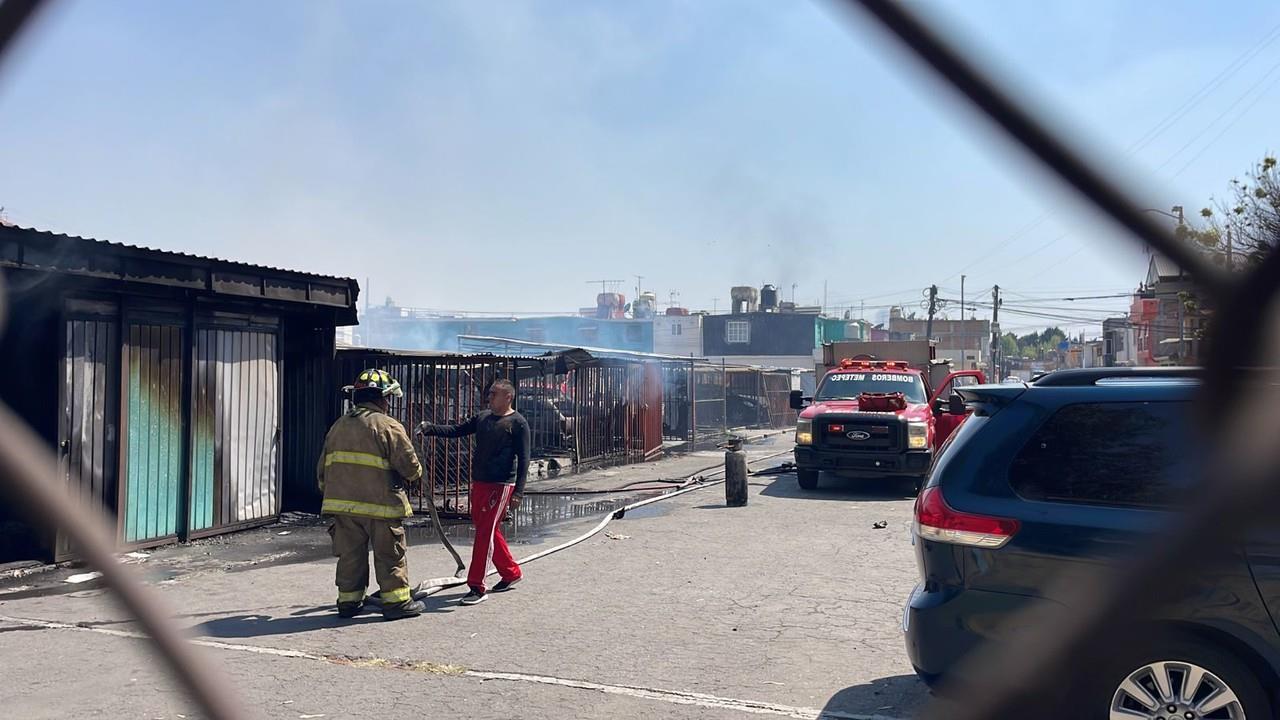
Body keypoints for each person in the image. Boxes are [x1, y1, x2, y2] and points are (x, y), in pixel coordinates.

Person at [317, 369, 427, 620]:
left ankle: (348, 603)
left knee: (350, 556)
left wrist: (330, 494)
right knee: (390, 555)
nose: (388, 404)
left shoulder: (338, 426)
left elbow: (323, 467)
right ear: (379, 398)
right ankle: (396, 603)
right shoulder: (387, 425)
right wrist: (417, 475)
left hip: (343, 507)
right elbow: (409, 467)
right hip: (381, 506)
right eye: (387, 398)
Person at [417, 378, 529, 605]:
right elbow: (457, 430)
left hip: (501, 484)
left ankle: (477, 586)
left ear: (508, 396)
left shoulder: (518, 423)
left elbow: (525, 459)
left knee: (484, 533)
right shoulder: (483, 418)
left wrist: (519, 492)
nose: (489, 397)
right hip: (480, 482)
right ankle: (510, 572)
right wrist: (431, 429)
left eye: (494, 394)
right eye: (489, 394)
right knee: (485, 527)